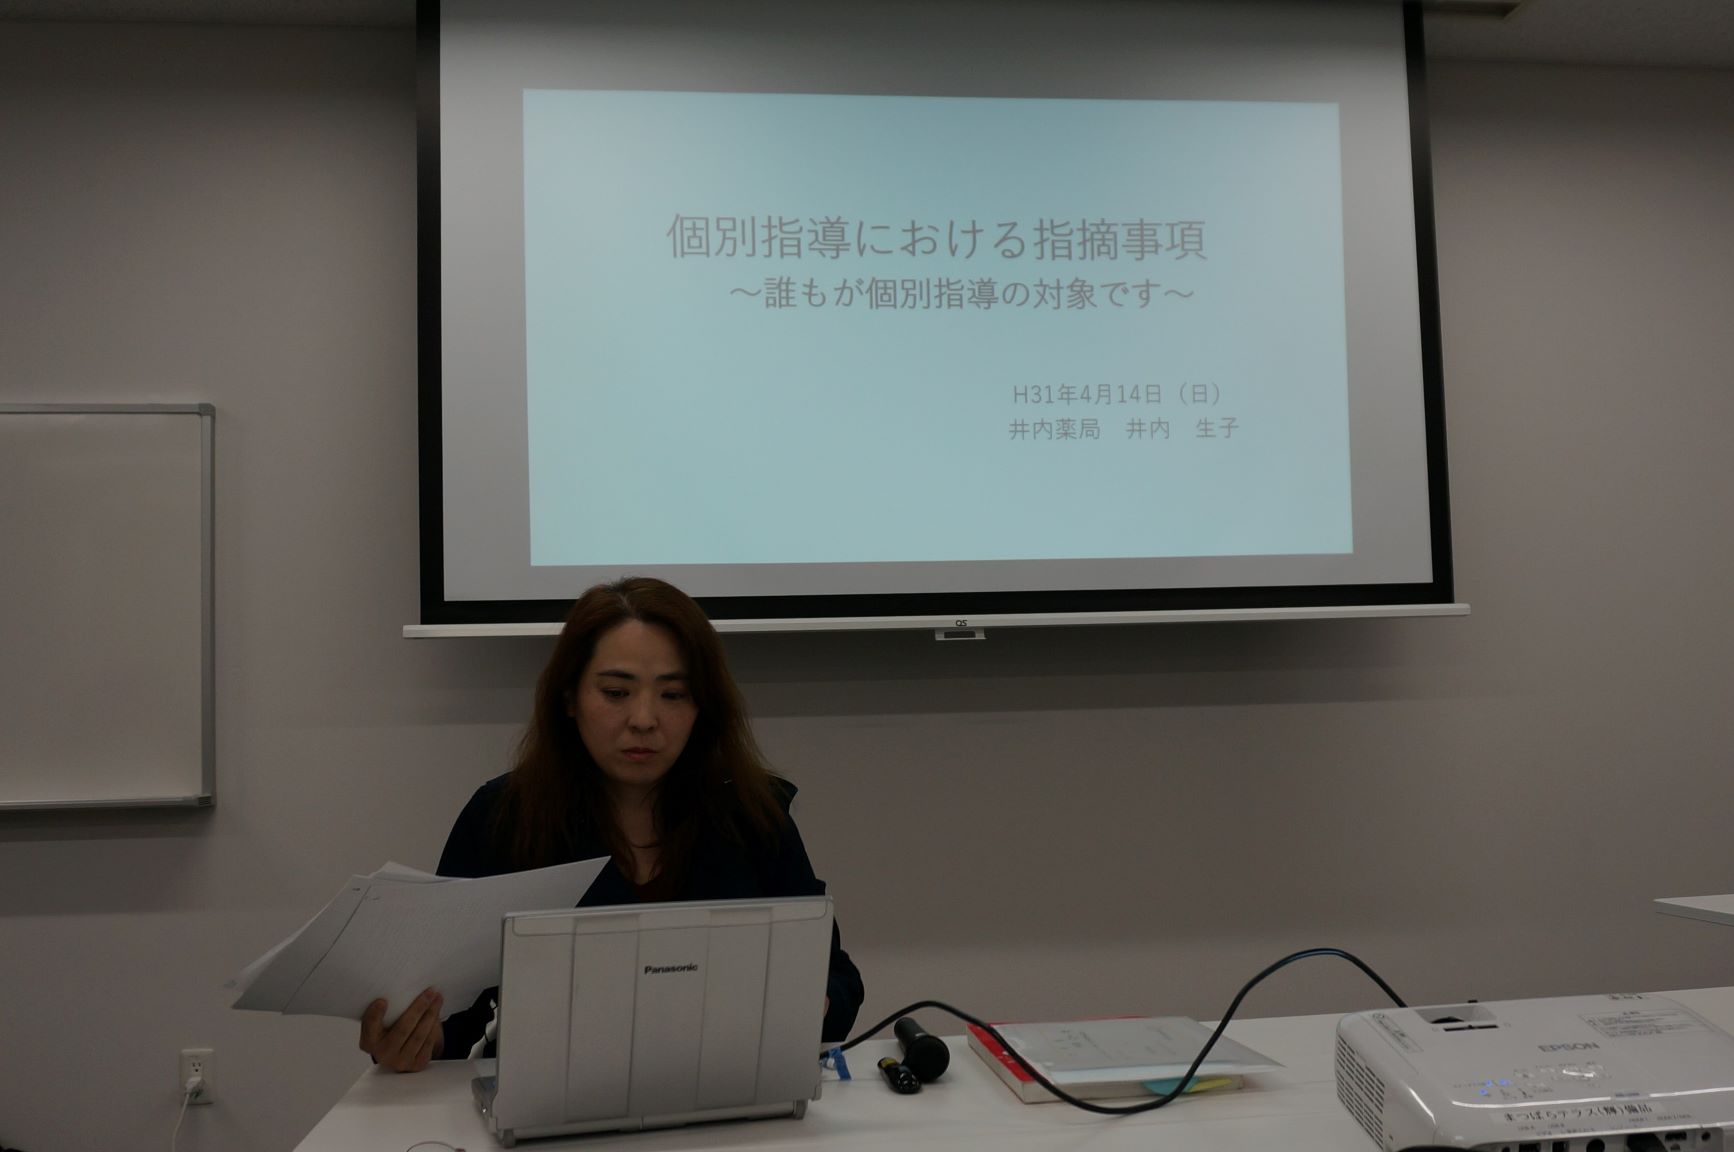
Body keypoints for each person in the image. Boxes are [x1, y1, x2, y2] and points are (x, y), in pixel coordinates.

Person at [358, 576, 865, 1072]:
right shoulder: (504, 816)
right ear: (569, 698)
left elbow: (838, 980)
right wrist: (417, 1040)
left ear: (702, 707)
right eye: (616, 692)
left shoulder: (754, 813)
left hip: (723, 1084)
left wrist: (808, 1001)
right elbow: (451, 1013)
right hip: (550, 1094)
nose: (644, 719)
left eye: (673, 694)